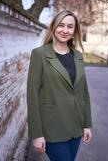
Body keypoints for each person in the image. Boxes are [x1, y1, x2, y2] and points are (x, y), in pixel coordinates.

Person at [27, 10, 92, 161]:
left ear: (74, 31)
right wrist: (36, 134)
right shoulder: (39, 54)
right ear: (54, 27)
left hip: (75, 127)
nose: (65, 30)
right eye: (61, 25)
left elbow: (84, 93)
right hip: (52, 129)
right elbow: (32, 95)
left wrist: (87, 124)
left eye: (70, 26)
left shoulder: (78, 56)